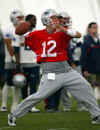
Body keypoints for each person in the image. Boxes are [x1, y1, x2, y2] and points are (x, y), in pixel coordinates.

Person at [8, 9, 100, 126]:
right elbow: (19, 32)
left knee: (86, 88)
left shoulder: (62, 32)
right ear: (47, 20)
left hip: (67, 70)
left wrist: (62, 29)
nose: (57, 20)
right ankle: (13, 114)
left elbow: (78, 34)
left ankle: (96, 115)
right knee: (39, 96)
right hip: (51, 73)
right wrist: (24, 26)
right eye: (54, 18)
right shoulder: (36, 34)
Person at [1, 9, 24, 112]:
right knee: (8, 82)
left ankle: (15, 104)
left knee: (18, 82)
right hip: (10, 60)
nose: (21, 20)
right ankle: (4, 104)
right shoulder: (8, 29)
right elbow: (9, 45)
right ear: (13, 18)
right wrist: (14, 58)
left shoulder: (23, 29)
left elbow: (22, 45)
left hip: (21, 60)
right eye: (19, 18)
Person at [20, 14, 40, 112]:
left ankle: (31, 106)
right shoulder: (21, 32)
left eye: (35, 20)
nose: (35, 22)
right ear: (27, 21)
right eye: (33, 20)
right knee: (24, 85)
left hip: (34, 62)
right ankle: (24, 105)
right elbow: (16, 47)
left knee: (33, 86)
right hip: (24, 61)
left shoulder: (37, 32)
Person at [81, 22, 100, 100]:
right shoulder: (86, 40)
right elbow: (83, 56)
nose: (95, 29)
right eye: (93, 27)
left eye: (96, 27)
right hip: (89, 67)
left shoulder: (98, 40)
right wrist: (84, 68)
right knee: (89, 85)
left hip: (98, 66)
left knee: (97, 83)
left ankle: (96, 96)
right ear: (89, 29)